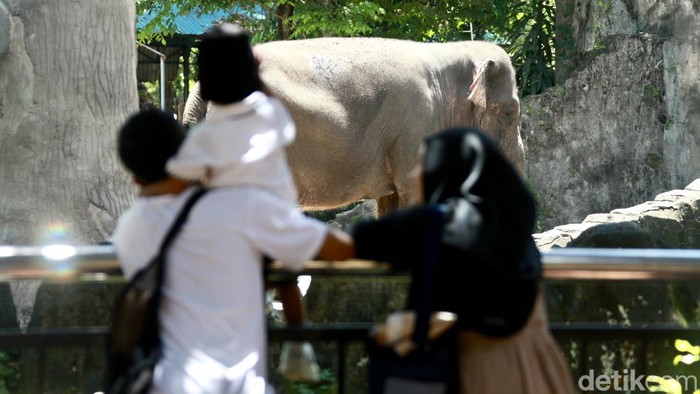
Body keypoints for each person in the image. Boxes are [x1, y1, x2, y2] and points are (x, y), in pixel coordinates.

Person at [111, 108, 354, 393]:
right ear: (187, 152)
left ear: (135, 178)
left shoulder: (128, 229)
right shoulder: (240, 206)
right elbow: (340, 249)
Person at [351, 127, 576, 393]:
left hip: (477, 375)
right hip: (539, 371)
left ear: (444, 171)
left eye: (422, 164)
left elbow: (356, 241)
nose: (413, 175)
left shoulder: (435, 225)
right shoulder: (515, 229)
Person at [165, 22, 322, 382]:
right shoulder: (271, 116)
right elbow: (279, 121)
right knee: (286, 277)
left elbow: (180, 175)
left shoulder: (204, 137)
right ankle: (298, 344)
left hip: (228, 240)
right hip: (273, 227)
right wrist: (257, 76)